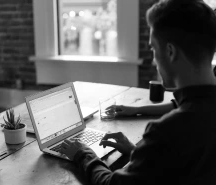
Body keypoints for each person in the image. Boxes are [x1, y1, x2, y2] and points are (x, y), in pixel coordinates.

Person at [60, 0, 216, 184]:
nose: (153, 61)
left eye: (153, 49)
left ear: (170, 52)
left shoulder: (167, 132)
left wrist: (83, 153)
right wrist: (140, 154)